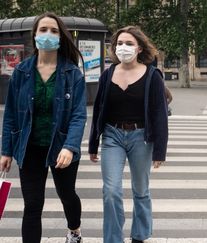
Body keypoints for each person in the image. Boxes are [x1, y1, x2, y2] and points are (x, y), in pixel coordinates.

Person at [0, 12, 86, 243]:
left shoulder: (72, 74)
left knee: (67, 195)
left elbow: (79, 115)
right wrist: (6, 150)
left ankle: (74, 230)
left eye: (54, 30)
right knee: (33, 204)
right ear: (35, 35)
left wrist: (69, 147)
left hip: (61, 147)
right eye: (43, 30)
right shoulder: (21, 72)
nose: (48, 34)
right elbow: (10, 115)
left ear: (61, 37)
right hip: (30, 147)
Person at [88, 26, 168, 243]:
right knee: (111, 191)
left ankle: (139, 235)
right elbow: (98, 110)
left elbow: (160, 114)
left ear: (139, 48)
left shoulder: (152, 75)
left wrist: (160, 150)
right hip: (112, 136)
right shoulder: (108, 74)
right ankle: (113, 239)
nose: (123, 47)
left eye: (129, 43)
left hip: (141, 137)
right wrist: (93, 144)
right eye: (119, 44)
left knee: (140, 189)